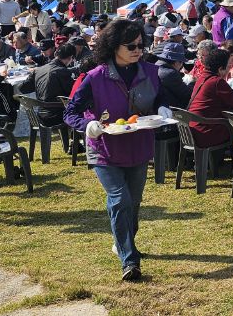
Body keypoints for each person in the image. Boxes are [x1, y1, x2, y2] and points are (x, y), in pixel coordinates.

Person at [63, 19, 176, 281]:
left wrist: (162, 107)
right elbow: (71, 111)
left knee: (133, 203)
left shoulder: (150, 71)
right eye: (131, 45)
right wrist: (88, 124)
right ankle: (129, 260)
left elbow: (159, 96)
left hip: (138, 145)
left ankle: (122, 240)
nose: (138, 49)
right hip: (105, 148)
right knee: (120, 199)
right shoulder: (95, 77)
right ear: (114, 46)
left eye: (141, 44)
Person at [186, 48, 233, 148]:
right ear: (220, 69)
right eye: (228, 66)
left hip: (192, 129)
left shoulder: (202, 77)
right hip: (205, 132)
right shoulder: (217, 82)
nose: (230, 68)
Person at [22, 44, 77, 126]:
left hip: (40, 114)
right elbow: (73, 93)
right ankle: (78, 135)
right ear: (70, 57)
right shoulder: (62, 71)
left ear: (55, 54)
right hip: (56, 115)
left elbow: (23, 88)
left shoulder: (39, 70)